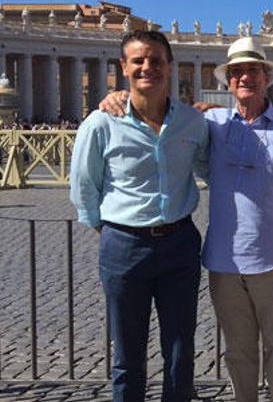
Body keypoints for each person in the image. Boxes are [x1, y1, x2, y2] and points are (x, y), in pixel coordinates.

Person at [98, 37, 273, 401]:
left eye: (252, 70)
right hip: (224, 260)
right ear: (228, 81)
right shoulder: (208, 122)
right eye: (237, 72)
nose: (245, 77)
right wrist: (115, 97)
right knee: (237, 350)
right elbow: (161, 112)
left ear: (267, 77)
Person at [70, 30, 209, 401]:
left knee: (181, 348)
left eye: (156, 60)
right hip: (124, 244)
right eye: (138, 61)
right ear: (124, 67)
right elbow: (84, 183)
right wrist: (107, 228)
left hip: (180, 243)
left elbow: (214, 168)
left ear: (170, 66)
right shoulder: (100, 123)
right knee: (127, 352)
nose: (148, 67)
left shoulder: (193, 123)